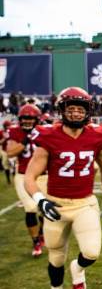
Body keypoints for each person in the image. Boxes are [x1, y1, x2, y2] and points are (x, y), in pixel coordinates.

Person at [25, 87, 102, 289]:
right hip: (56, 204)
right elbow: (30, 177)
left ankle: (79, 268)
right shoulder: (49, 136)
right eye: (71, 109)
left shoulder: (98, 135)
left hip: (84, 203)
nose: (75, 113)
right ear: (62, 110)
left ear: (87, 111)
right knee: (55, 256)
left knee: (92, 252)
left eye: (80, 109)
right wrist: (40, 201)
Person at [6, 105, 47, 257]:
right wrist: (25, 140)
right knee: (30, 208)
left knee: (44, 208)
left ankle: (42, 233)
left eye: (30, 118)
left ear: (37, 119)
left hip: (43, 176)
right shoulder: (15, 131)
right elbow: (10, 153)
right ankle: (36, 241)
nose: (27, 121)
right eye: (24, 118)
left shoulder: (44, 131)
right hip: (23, 175)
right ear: (20, 119)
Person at [1, 119, 13, 184]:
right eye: (7, 126)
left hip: (12, 150)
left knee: (14, 165)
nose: (9, 127)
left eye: (9, 125)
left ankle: (16, 178)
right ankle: (8, 180)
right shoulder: (1, 132)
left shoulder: (13, 131)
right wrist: (5, 138)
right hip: (5, 151)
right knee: (6, 165)